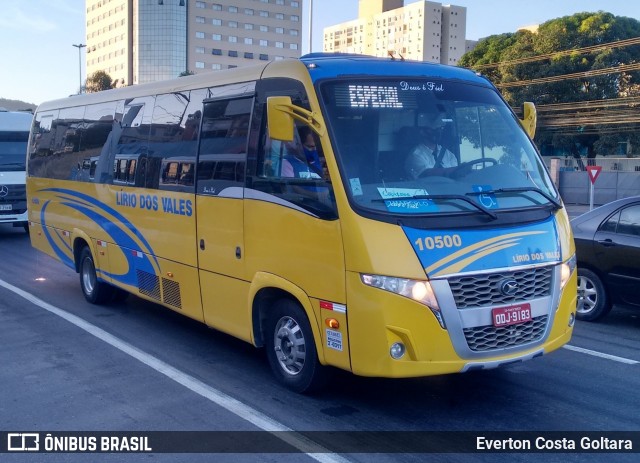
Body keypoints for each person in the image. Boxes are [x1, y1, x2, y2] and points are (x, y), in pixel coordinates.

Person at [404, 114, 458, 179]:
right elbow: (427, 174)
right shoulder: (415, 155)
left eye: (440, 128)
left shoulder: (448, 154)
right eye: (434, 129)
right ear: (422, 132)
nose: (438, 131)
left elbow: (456, 175)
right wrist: (450, 171)